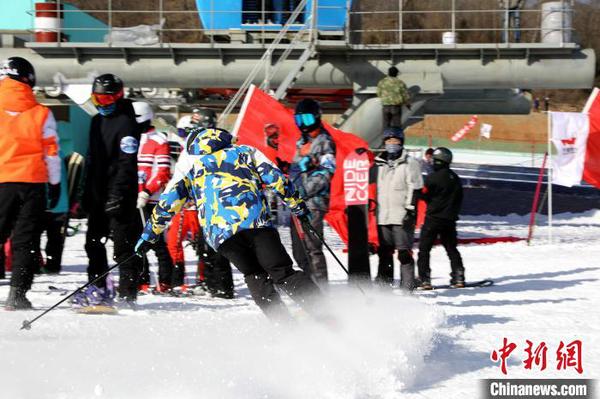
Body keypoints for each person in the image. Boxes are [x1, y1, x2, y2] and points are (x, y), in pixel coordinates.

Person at [136, 127, 323, 321]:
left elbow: (168, 203)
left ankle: (286, 327)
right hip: (255, 224)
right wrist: (298, 206)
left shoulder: (192, 169)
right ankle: (326, 314)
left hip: (222, 236)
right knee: (282, 272)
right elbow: (276, 179)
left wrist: (149, 234)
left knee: (254, 274)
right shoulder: (244, 152)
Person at [0, 56, 61, 310]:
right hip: (32, 183)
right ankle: (17, 295)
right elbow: (52, 153)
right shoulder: (42, 113)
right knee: (26, 240)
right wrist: (55, 184)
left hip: (2, 180)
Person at [83, 73, 143, 306]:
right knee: (94, 244)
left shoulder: (127, 123)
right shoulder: (96, 121)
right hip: (98, 195)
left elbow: (126, 163)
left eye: (106, 101)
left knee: (123, 247)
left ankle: (129, 293)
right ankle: (98, 290)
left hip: (120, 196)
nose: (102, 105)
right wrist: (86, 193)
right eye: (97, 100)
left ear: (118, 97)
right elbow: (92, 160)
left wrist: (118, 193)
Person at [289, 98, 336, 283]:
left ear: (316, 117)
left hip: (313, 204)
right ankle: (309, 291)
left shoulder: (325, 141)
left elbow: (326, 173)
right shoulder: (301, 142)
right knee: (299, 251)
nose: (303, 125)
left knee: (312, 249)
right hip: (296, 203)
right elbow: (294, 169)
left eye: (306, 120)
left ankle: (320, 292)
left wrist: (302, 191)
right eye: (299, 121)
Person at [370, 127, 423, 290]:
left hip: (401, 215)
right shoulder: (378, 164)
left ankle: (408, 286)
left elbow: (415, 187)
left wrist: (410, 209)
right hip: (383, 216)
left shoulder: (409, 163)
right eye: (389, 141)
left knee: (404, 253)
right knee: (384, 253)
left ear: (401, 142)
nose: (392, 144)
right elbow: (368, 184)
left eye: (395, 141)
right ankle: (384, 284)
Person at [133, 101, 177, 294]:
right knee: (135, 243)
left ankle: (165, 281)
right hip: (133, 200)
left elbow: (162, 172)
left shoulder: (159, 140)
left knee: (156, 243)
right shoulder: (130, 139)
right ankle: (141, 281)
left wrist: (147, 191)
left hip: (151, 200)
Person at [416, 147, 465, 290]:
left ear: (438, 161)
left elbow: (424, 194)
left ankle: (424, 279)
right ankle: (458, 276)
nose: (432, 163)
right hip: (449, 220)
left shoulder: (433, 178)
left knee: (424, 249)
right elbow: (459, 199)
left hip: (433, 219)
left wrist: (418, 194)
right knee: (451, 249)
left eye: (434, 160)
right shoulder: (455, 178)